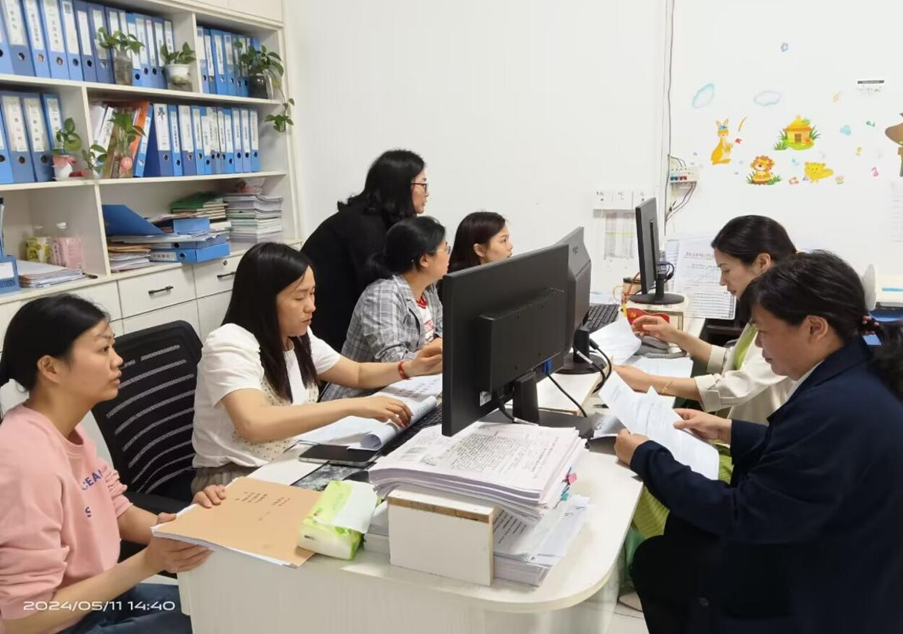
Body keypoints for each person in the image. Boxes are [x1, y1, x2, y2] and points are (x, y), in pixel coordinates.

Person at [615, 251, 903, 634]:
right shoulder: (858, 364)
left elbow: (742, 515)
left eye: (764, 333)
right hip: (837, 551)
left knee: (661, 564)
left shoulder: (834, 406)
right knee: (680, 538)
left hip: (823, 593)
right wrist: (730, 431)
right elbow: (809, 456)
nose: (761, 349)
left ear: (815, 328)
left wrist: (646, 456)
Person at [0, 295, 226, 634]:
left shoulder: (64, 428)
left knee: (224, 605)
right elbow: (23, 618)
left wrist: (183, 527)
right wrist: (150, 561)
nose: (118, 360)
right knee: (222, 622)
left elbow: (117, 511)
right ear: (50, 368)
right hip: (61, 623)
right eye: (103, 349)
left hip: (102, 600)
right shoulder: (23, 461)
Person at [191, 242, 442, 493]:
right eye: (299, 297)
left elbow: (356, 373)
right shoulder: (229, 344)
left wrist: (410, 368)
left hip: (292, 459)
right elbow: (254, 423)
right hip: (236, 476)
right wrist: (351, 406)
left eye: (312, 294)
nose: (311, 305)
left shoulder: (297, 337)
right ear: (263, 300)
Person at [615, 215, 797, 423]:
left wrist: (646, 381)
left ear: (762, 263)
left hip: (754, 436)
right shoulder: (766, 303)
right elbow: (735, 362)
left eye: (726, 270)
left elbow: (736, 386)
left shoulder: (787, 318)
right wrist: (675, 336)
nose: (722, 281)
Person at [301, 149, 429, 351]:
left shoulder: (386, 220)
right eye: (423, 184)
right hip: (326, 331)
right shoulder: (364, 226)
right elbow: (382, 293)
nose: (427, 192)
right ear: (401, 185)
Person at [323, 216, 448, 401]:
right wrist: (438, 353)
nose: (449, 256)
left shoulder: (428, 288)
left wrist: (438, 350)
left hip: (406, 390)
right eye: (445, 249)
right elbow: (394, 360)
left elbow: (445, 334)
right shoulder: (383, 294)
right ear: (424, 259)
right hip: (359, 398)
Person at [448, 211, 513, 273]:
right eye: (503, 240)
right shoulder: (462, 281)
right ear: (480, 250)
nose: (510, 246)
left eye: (507, 239)